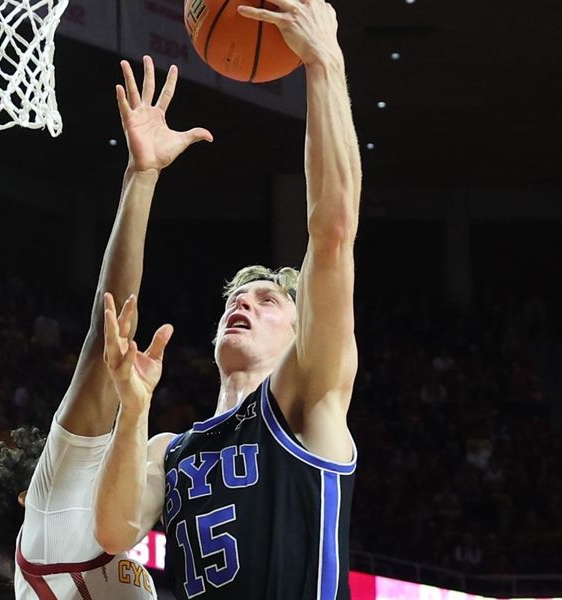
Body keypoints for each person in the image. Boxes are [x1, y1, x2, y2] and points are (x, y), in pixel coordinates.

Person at [94, 1, 362, 598]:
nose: (244, 304)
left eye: (268, 300)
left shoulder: (305, 396)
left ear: (303, 331)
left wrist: (325, 64)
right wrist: (132, 411)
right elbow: (113, 532)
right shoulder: (173, 449)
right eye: (236, 299)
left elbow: (334, 230)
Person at [0, 56, 212, 599]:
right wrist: (141, 176)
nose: (94, 445)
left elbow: (157, 452)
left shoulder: (72, 545)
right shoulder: (52, 507)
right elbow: (108, 337)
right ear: (31, 494)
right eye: (86, 450)